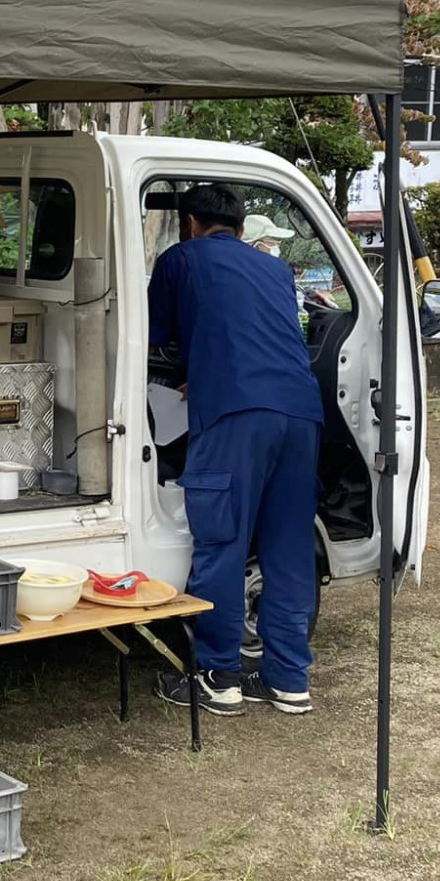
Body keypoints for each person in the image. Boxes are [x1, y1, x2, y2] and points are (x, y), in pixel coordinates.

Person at [147, 182, 323, 718]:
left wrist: (191, 373)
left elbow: (152, 338)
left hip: (234, 415)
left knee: (222, 541)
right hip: (301, 412)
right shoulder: (273, 268)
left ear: (191, 224)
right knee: (288, 548)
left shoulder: (180, 259)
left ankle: (219, 677)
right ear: (243, 229)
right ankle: (290, 681)